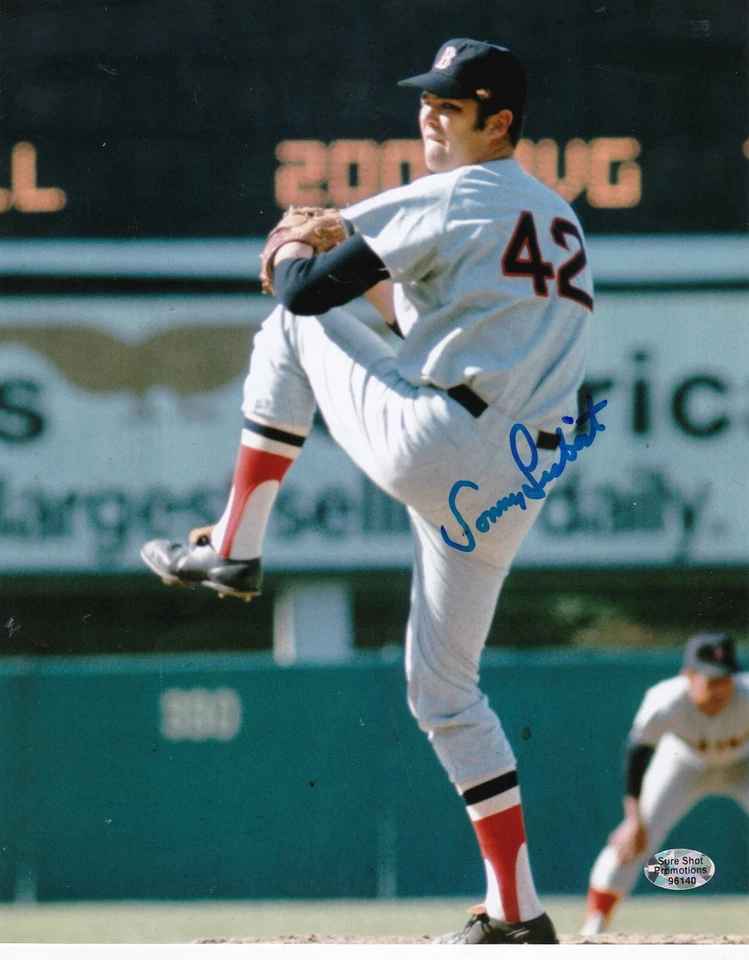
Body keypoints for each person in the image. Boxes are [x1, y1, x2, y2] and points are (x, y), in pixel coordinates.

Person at [142, 38, 594, 944]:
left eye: (451, 105)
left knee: (287, 331)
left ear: (497, 121)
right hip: (517, 476)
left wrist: (283, 250)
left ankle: (231, 541)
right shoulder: (561, 220)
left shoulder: (453, 193)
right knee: (443, 692)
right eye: (427, 99)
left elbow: (309, 295)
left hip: (443, 438)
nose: (429, 115)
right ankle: (518, 911)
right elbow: (433, 313)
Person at [581, 632, 748, 935]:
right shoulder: (665, 700)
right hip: (684, 764)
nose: (720, 690)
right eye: (711, 681)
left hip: (744, 764)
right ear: (689, 676)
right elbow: (637, 755)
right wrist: (634, 819)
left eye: (726, 680)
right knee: (631, 841)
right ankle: (595, 925)